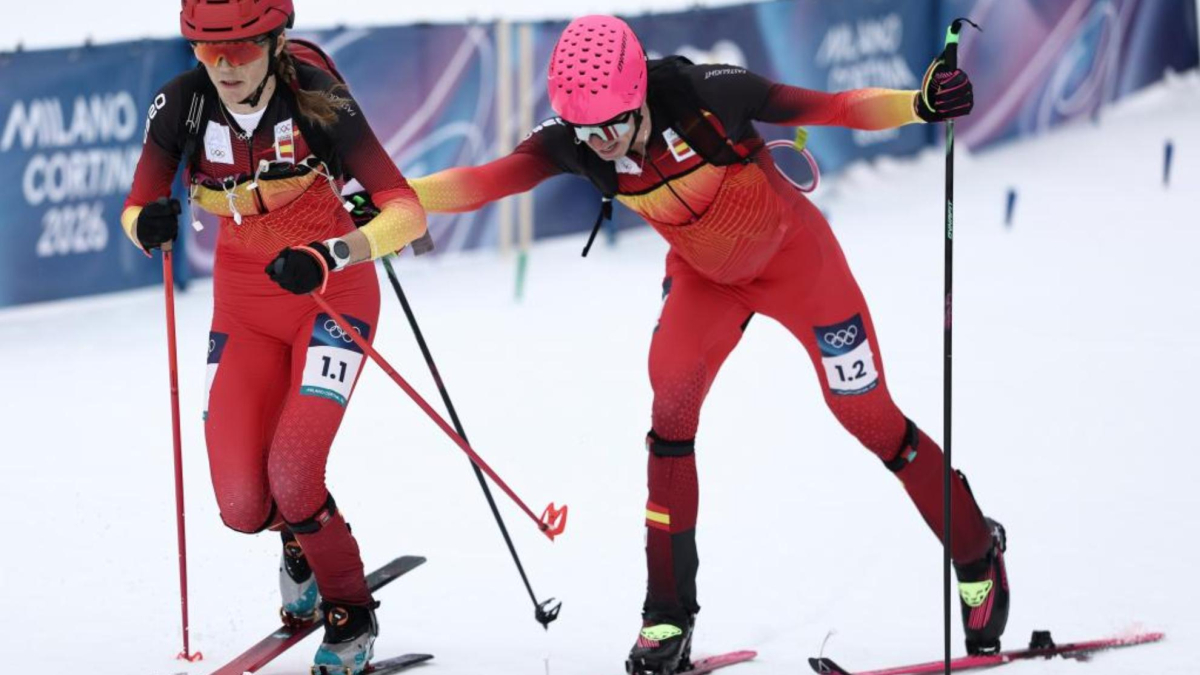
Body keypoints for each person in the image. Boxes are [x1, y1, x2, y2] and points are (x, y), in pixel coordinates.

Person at [406, 15, 1009, 675]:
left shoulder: (706, 95)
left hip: (797, 265)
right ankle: (666, 615)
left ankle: (977, 551)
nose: (599, 144)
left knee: (869, 417)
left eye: (610, 125)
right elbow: (486, 180)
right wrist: (396, 198)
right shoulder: (573, 142)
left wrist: (918, 105)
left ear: (637, 96)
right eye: (585, 131)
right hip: (705, 280)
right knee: (671, 409)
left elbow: (832, 106)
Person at [122, 1, 428, 672]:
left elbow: (406, 210)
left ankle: (350, 615)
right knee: (241, 504)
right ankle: (299, 542)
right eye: (207, 52)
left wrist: (335, 252)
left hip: (329, 294)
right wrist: (145, 225)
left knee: (294, 472)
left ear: (273, 40)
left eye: (238, 51)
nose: (222, 68)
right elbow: (135, 204)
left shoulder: (317, 99)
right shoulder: (182, 104)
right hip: (244, 305)